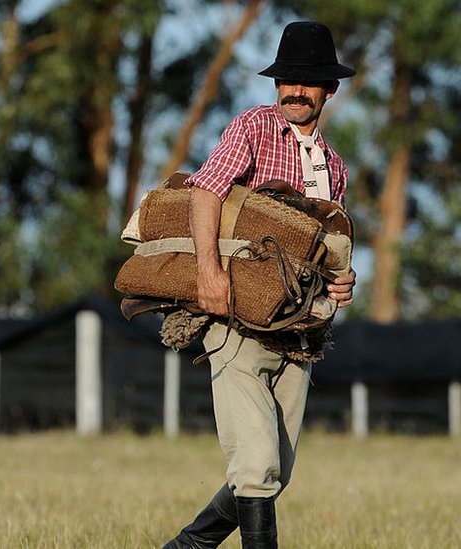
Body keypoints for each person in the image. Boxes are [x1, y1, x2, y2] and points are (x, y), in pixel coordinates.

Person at [162, 21, 357, 549]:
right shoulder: (254, 127)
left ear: (329, 90)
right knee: (256, 467)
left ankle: (188, 546)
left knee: (275, 472)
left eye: (308, 80)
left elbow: (330, 251)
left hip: (298, 334)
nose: (294, 89)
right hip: (237, 320)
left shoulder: (335, 168)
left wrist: (343, 284)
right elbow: (206, 190)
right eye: (286, 78)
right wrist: (208, 270)